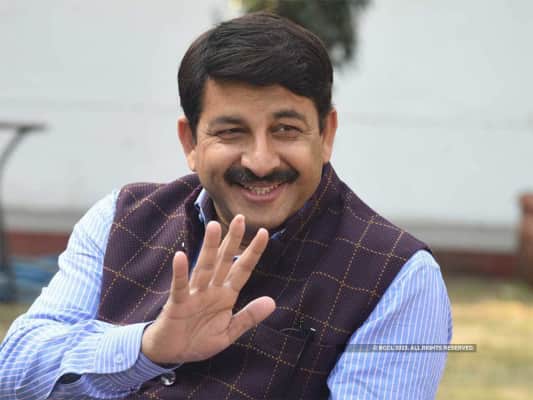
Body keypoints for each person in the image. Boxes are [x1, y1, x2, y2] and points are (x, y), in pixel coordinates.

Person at [0, 12, 452, 399]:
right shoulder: (120, 218)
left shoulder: (397, 276)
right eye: (231, 132)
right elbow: (13, 373)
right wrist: (147, 349)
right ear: (190, 142)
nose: (260, 161)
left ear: (326, 134)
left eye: (286, 130)